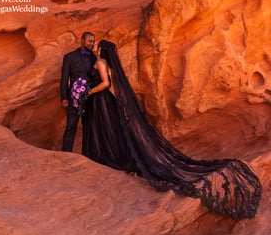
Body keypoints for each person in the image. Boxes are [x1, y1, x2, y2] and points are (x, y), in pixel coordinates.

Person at [81, 40, 262, 220]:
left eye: (97, 45)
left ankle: (113, 158)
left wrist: (88, 92)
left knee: (111, 133)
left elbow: (106, 83)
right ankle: (114, 158)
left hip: (102, 101)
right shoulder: (104, 63)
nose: (94, 46)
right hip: (104, 102)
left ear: (102, 50)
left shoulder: (101, 63)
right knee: (113, 132)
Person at [60, 32, 96, 152]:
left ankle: (88, 154)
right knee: (71, 125)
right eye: (89, 41)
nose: (92, 43)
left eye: (93, 41)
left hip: (90, 97)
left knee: (89, 126)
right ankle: (66, 153)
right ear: (82, 41)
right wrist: (63, 97)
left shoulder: (94, 57)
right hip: (73, 97)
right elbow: (65, 78)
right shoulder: (69, 57)